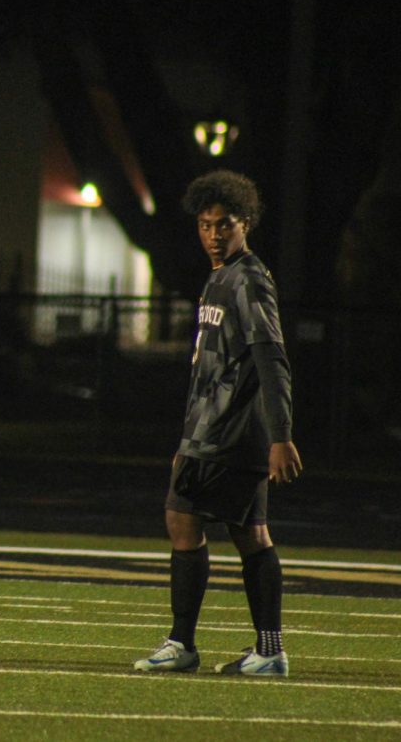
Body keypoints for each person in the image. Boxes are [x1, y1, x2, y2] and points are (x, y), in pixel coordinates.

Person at [134, 169, 302, 676]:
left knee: (182, 520)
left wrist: (281, 436)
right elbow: (211, 367)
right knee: (252, 534)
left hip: (229, 434)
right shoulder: (220, 276)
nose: (212, 234)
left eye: (223, 224)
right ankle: (268, 650)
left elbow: (272, 359)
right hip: (218, 431)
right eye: (204, 225)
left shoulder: (247, 278)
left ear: (245, 223)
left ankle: (183, 643)